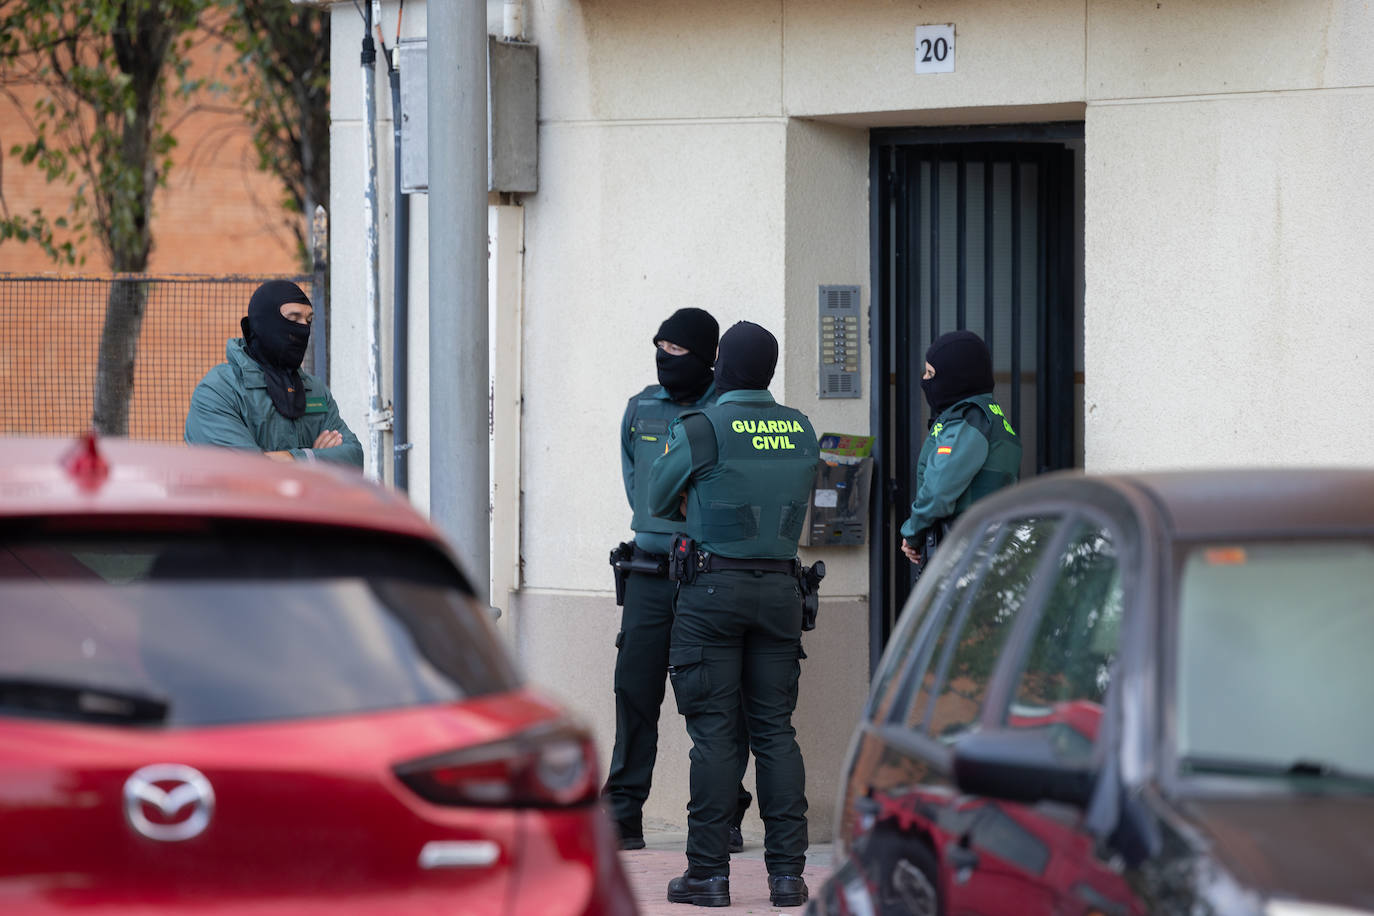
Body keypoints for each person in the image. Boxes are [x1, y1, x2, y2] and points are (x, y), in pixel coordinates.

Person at [647, 321, 819, 909]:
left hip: (712, 591)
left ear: (723, 364)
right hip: (782, 592)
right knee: (775, 731)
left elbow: (656, 499)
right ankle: (788, 876)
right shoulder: (800, 428)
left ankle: (707, 875)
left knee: (715, 734)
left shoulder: (701, 426)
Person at [604, 308, 753, 853]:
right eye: (659, 348)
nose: (667, 361)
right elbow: (637, 485)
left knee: (715, 700)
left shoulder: (727, 409)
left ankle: (725, 813)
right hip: (648, 572)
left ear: (710, 358)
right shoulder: (640, 407)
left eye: (679, 352)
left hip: (710, 575)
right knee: (634, 688)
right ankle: (622, 814)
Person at [185, 280, 362, 468]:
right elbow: (246, 471)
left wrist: (296, 458)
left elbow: (354, 459)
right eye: (293, 319)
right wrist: (318, 462)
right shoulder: (219, 390)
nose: (303, 328)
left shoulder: (315, 390)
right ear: (264, 322)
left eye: (308, 320)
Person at [900, 329, 1021, 566]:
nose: (924, 379)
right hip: (991, 549)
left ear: (956, 377)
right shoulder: (995, 418)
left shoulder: (968, 418)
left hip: (964, 554)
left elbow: (938, 489)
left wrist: (913, 531)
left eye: (930, 373)